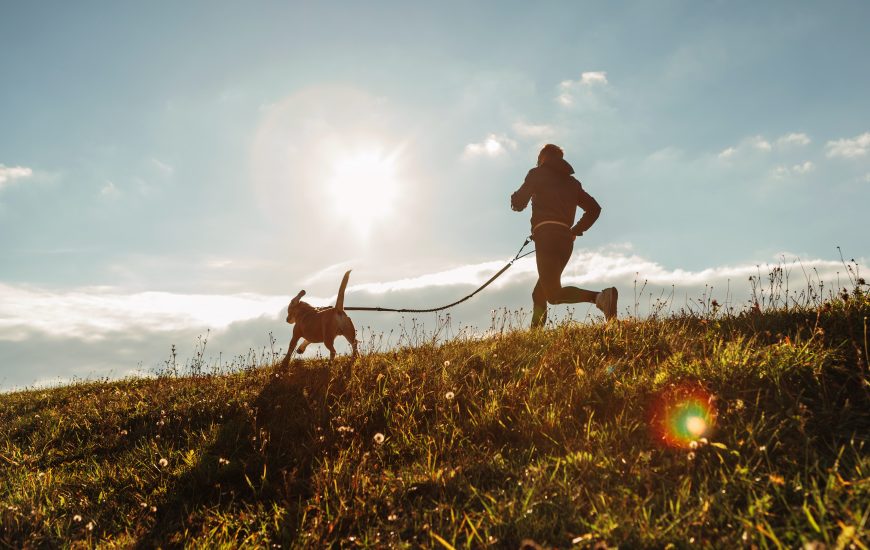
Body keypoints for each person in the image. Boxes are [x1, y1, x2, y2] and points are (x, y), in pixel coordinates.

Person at [511, 144, 617, 328]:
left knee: (552, 294)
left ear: (543, 158)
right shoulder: (572, 183)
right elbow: (594, 209)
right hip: (565, 240)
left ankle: (600, 298)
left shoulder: (537, 174)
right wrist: (575, 230)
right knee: (540, 293)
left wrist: (515, 199)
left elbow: (519, 202)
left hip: (546, 237)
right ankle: (535, 337)